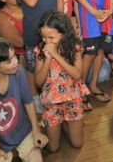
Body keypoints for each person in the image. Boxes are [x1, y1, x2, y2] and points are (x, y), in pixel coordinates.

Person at [0, 37, 48, 162]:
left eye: (14, 56)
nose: (16, 61)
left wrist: (36, 130)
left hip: (21, 129)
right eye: (9, 60)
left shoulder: (19, 71)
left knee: (36, 158)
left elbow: (28, 101)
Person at [13, 0, 65, 113]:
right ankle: (34, 97)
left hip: (54, 31)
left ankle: (51, 92)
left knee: (52, 62)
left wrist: (62, 23)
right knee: (31, 65)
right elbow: (31, 1)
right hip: (33, 32)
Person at [34, 11, 89, 152]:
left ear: (63, 33)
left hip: (72, 99)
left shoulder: (74, 47)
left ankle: (66, 122)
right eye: (43, 36)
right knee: (52, 148)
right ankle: (59, 122)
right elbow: (38, 82)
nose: (47, 41)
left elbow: (77, 75)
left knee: (77, 144)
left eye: (51, 37)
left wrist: (56, 55)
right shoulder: (40, 50)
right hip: (51, 102)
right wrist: (47, 59)